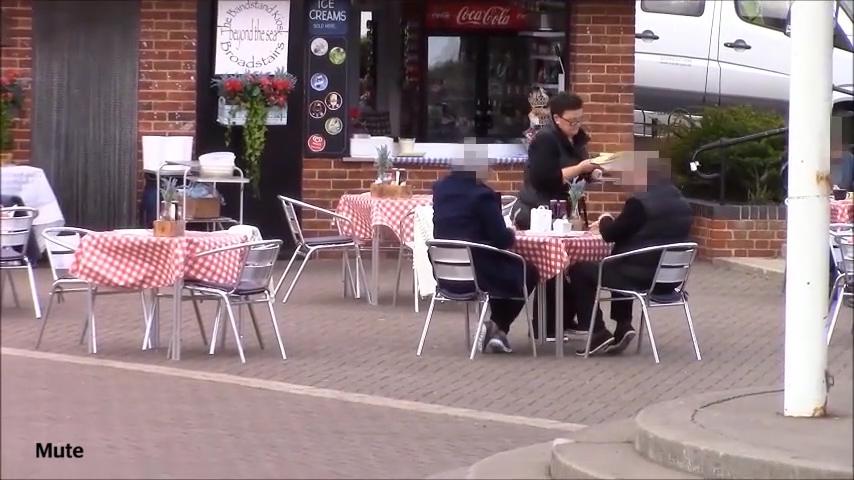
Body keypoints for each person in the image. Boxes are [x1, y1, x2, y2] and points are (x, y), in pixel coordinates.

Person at [566, 157, 694, 356]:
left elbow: (611, 234)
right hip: (669, 280)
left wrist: (605, 219)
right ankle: (623, 326)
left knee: (580, 269)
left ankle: (598, 332)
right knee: (620, 260)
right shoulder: (683, 204)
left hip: (641, 278)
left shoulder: (640, 204)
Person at [511, 91, 602, 339]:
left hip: (565, 209)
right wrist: (579, 169)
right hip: (538, 209)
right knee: (551, 264)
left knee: (572, 263)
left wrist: (591, 173)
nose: (577, 126)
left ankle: (565, 318)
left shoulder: (578, 139)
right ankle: (545, 325)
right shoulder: (545, 140)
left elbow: (576, 175)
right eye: (572, 121)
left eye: (580, 120)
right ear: (557, 118)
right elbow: (544, 178)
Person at [433, 154, 539, 353]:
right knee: (527, 271)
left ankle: (496, 331)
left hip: (445, 272)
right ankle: (498, 327)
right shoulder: (482, 195)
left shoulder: (441, 189)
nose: (491, 170)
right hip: (477, 272)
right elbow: (501, 240)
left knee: (506, 269)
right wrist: (512, 232)